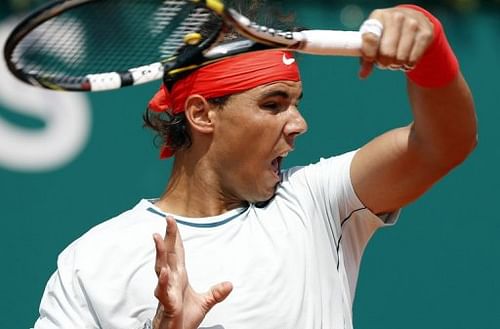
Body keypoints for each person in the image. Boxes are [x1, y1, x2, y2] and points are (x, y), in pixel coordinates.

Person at [33, 4, 477, 329]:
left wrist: (430, 42)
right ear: (202, 114)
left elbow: (444, 144)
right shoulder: (91, 262)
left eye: (296, 103)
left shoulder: (318, 204)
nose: (299, 124)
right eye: (273, 104)